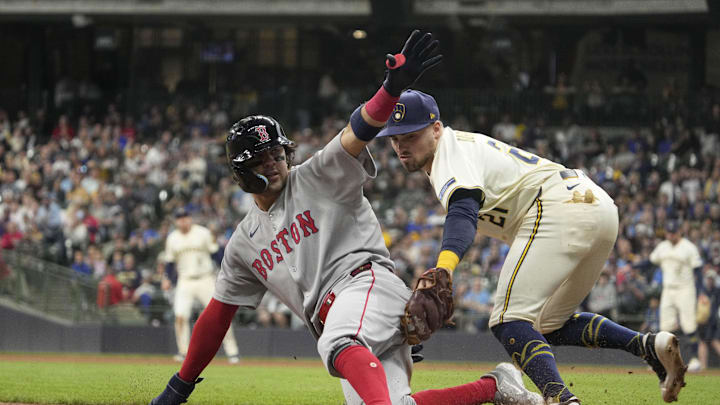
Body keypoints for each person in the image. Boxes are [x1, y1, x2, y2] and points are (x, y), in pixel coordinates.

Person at [150, 30, 543, 405]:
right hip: (342, 317)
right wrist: (180, 386)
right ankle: (495, 386)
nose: (273, 164)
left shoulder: (317, 174)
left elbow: (360, 128)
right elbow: (217, 315)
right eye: (260, 159)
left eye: (277, 154)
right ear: (241, 172)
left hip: (364, 285)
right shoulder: (243, 243)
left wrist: (390, 89)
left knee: (337, 344)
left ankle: (362, 343)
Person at [377, 89, 688, 404]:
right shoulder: (459, 151)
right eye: (395, 138)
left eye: (411, 135)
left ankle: (560, 398)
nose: (402, 146)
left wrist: (443, 268)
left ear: (436, 129)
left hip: (557, 207)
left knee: (506, 319)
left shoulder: (449, 152)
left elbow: (463, 211)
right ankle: (647, 346)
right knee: (546, 325)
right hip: (598, 209)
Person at [163, 207, 240, 364]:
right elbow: (170, 263)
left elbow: (217, 254)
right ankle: (183, 352)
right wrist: (167, 278)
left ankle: (232, 352)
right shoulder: (172, 238)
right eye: (179, 218)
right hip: (185, 280)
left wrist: (226, 272)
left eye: (185, 217)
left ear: (190, 218)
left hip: (205, 279)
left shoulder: (202, 233)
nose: (183, 220)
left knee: (220, 315)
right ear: (176, 221)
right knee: (180, 316)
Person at [650, 220, 704, 372]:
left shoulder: (689, 247)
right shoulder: (663, 246)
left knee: (689, 325)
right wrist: (632, 266)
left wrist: (702, 293)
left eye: (673, 233)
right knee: (664, 327)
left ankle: (695, 359)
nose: (671, 235)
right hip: (668, 289)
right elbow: (651, 261)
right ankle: (662, 361)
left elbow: (698, 270)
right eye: (669, 232)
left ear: (680, 232)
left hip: (685, 289)